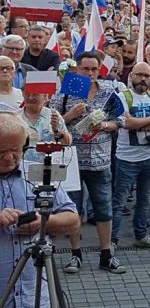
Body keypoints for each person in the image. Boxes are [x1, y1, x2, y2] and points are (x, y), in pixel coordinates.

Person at [51, 52, 127, 274]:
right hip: (72, 160)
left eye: (94, 69)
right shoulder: (67, 90)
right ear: (77, 69)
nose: (91, 73)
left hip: (100, 161)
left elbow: (120, 121)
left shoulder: (107, 90)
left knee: (104, 208)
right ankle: (75, 255)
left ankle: (106, 255)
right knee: (74, 210)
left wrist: (103, 126)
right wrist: (70, 115)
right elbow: (52, 123)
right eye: (86, 69)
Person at [0, 113, 79, 307]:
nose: (10, 158)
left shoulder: (37, 174)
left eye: (16, 150)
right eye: (1, 152)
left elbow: (74, 221)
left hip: (34, 296)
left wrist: (45, 222)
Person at [111, 62, 150, 249]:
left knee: (145, 200)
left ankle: (141, 235)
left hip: (149, 157)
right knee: (119, 202)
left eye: (146, 75)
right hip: (126, 158)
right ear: (131, 76)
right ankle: (111, 240)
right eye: (139, 75)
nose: (143, 79)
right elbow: (126, 124)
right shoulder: (122, 97)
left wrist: (139, 122)